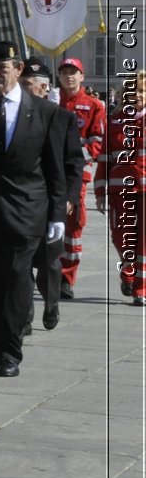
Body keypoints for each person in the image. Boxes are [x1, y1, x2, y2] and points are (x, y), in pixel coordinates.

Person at [0, 43, 68, 377]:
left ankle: (10, 351)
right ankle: (0, 337)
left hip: (26, 211)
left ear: (18, 69)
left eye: (1, 68)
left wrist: (58, 216)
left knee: (17, 279)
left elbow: (55, 168)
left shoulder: (47, 113)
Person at [19, 58, 84, 331]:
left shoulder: (63, 118)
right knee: (19, 266)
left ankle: (51, 302)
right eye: (21, 84)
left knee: (48, 263)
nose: (22, 90)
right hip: (21, 201)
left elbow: (73, 163)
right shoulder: (12, 115)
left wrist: (69, 198)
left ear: (45, 88)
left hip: (51, 201)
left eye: (28, 86)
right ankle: (22, 317)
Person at [56, 58, 107, 299]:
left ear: (82, 76)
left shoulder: (94, 105)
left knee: (73, 226)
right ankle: (48, 272)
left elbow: (97, 142)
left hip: (77, 175)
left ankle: (66, 278)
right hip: (49, 175)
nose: (69, 77)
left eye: (73, 72)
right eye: (64, 72)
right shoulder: (51, 102)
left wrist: (74, 160)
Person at [97, 70, 146, 306]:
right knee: (121, 238)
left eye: (142, 91)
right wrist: (99, 191)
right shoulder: (114, 122)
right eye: (132, 92)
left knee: (143, 241)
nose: (137, 95)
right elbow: (105, 158)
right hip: (119, 191)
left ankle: (141, 288)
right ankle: (128, 271)